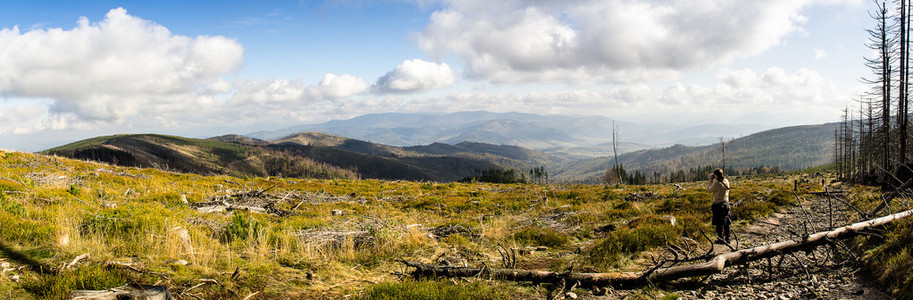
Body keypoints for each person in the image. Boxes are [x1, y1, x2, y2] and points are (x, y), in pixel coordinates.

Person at [708, 168, 731, 244]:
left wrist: (711, 180)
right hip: (726, 204)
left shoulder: (716, 183)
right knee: (726, 222)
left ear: (716, 175)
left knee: (719, 223)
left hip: (718, 205)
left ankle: (721, 238)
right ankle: (728, 238)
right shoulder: (726, 181)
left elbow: (709, 190)